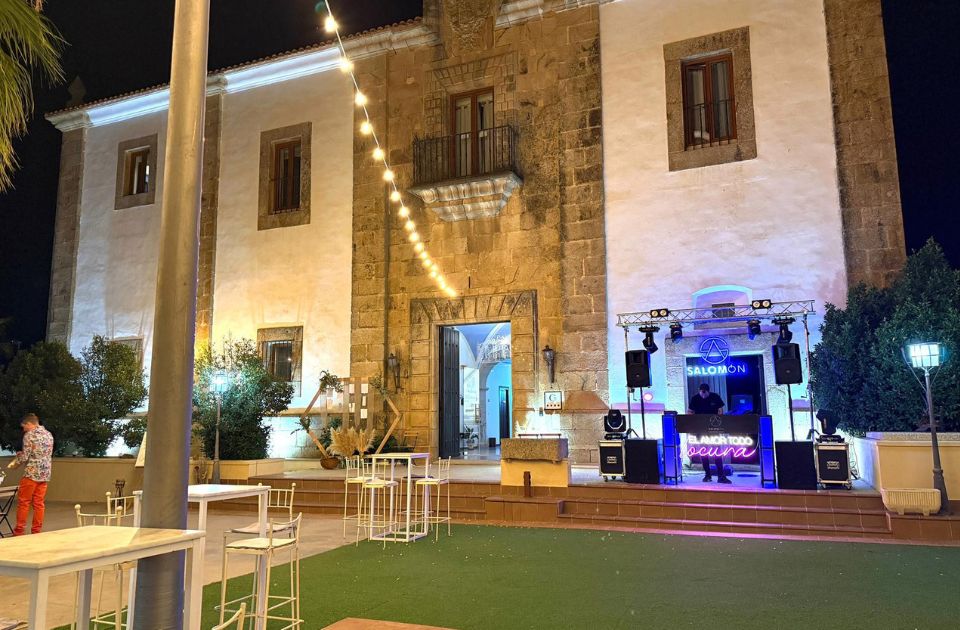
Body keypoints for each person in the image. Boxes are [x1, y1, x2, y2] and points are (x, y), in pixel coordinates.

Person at [6, 413, 54, 535]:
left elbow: (25, 457)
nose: (24, 429)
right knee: (39, 503)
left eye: (24, 426)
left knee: (24, 502)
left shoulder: (29, 435)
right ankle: (36, 531)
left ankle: (19, 531)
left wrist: (14, 463)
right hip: (45, 474)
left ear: (29, 423)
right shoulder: (48, 434)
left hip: (31, 474)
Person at [687, 384, 730, 484]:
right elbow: (690, 411)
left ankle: (721, 476)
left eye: (704, 392)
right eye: (701, 392)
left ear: (708, 391)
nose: (703, 395)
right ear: (699, 391)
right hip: (700, 429)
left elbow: (720, 410)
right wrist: (692, 423)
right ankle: (707, 475)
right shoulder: (695, 398)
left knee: (717, 451)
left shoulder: (715, 397)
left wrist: (719, 421)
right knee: (704, 452)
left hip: (713, 428)